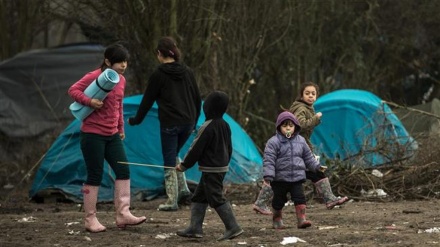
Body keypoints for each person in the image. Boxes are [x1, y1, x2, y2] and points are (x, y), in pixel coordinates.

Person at [68, 43, 146, 233]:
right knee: (94, 174)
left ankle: (123, 214)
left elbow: (118, 105)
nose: (124, 65)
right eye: (120, 62)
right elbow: (73, 90)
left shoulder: (121, 80)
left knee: (123, 170)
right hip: (92, 134)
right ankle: (90, 219)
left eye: (126, 62)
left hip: (112, 135)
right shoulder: (94, 76)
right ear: (108, 61)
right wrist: (89, 101)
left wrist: (120, 127)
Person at [128, 36, 201, 211]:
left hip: (170, 123)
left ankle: (172, 200)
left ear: (160, 54)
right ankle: (183, 190)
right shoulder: (188, 71)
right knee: (174, 153)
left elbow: (147, 100)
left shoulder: (158, 74)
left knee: (168, 159)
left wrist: (136, 120)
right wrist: (195, 121)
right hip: (188, 122)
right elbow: (197, 98)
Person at [253, 82, 348, 215]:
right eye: (307, 93)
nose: (310, 96)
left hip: (299, 147)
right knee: (282, 178)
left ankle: (330, 199)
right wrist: (316, 118)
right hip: (294, 148)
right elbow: (300, 125)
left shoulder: (307, 108)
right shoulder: (301, 109)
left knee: (312, 173)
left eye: (313, 94)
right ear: (301, 95)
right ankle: (261, 203)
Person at [175, 91, 243, 241]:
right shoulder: (226, 125)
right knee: (199, 196)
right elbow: (229, 147)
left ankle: (233, 227)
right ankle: (195, 228)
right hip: (220, 167)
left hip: (212, 169)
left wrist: (184, 165)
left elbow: (196, 148)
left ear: (208, 107)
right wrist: (225, 163)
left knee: (216, 197)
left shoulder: (207, 126)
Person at [264, 111, 325, 229]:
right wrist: (268, 175)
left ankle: (301, 219)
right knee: (278, 200)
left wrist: (317, 167)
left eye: (291, 126)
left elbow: (308, 157)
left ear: (295, 127)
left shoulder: (301, 141)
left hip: (296, 177)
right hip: (279, 179)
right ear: (279, 127)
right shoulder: (273, 142)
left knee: (300, 198)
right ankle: (277, 219)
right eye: (285, 125)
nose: (288, 128)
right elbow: (268, 160)